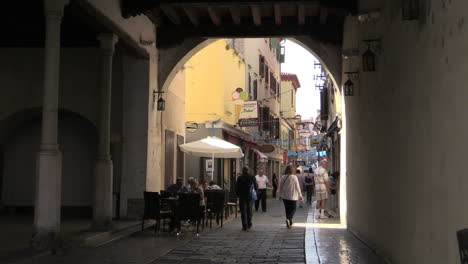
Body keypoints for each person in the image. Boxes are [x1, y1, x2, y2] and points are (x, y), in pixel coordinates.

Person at [236, 167, 257, 231]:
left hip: (242, 196)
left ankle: (244, 225)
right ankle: (249, 223)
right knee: (249, 210)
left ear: (242, 171)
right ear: (247, 170)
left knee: (243, 211)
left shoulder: (239, 178)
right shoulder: (252, 177)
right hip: (250, 196)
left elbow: (236, 187)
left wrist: (238, 194)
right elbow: (255, 186)